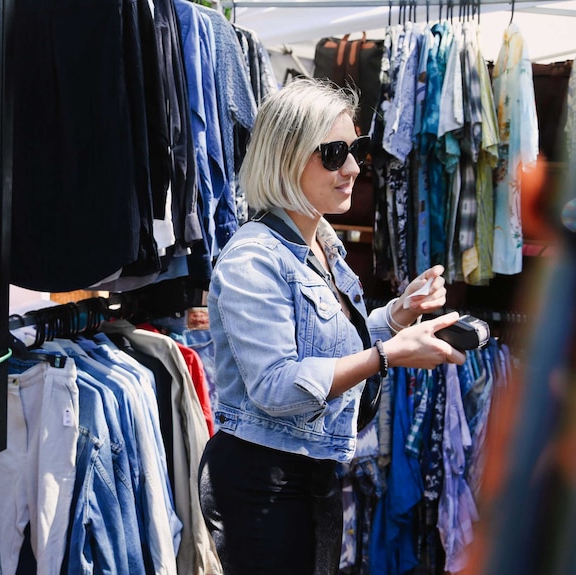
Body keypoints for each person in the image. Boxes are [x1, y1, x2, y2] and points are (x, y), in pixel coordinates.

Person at [198, 77, 467, 575]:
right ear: (285, 157)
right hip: (264, 479)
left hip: (308, 467)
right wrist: (387, 355)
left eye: (356, 149)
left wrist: (397, 315)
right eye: (334, 153)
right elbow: (277, 386)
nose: (352, 167)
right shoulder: (253, 259)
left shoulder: (320, 238)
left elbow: (328, 338)